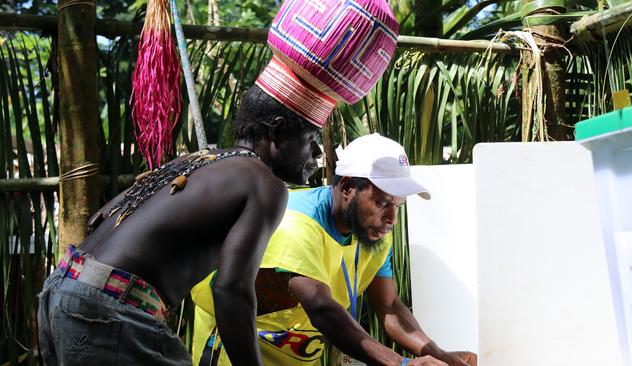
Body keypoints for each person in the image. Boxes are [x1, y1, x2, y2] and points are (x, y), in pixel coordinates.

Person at [36, 63, 329, 365]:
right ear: (278, 131)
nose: (317, 152)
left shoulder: (197, 160)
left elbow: (99, 217)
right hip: (108, 308)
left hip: (61, 287)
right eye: (310, 140)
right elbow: (231, 291)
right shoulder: (266, 184)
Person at [192, 133, 478, 366]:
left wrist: (437, 354)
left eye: (398, 206)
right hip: (234, 356)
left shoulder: (374, 234)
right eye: (382, 202)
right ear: (348, 187)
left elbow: (388, 306)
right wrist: (400, 364)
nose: (391, 218)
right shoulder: (295, 223)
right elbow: (321, 309)